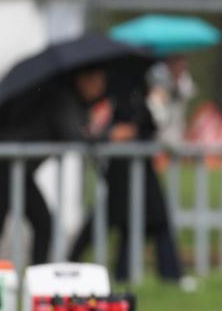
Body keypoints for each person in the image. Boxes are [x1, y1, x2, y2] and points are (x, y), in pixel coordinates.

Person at [0, 67, 133, 265]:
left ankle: (28, 277)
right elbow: (75, 137)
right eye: (98, 82)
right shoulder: (62, 100)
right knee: (3, 225)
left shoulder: (69, 101)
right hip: (4, 166)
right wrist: (109, 135)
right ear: (83, 80)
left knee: (32, 225)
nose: (101, 88)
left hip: (13, 168)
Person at [68, 67, 184, 284]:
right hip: (123, 172)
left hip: (137, 170)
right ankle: (72, 265)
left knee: (132, 221)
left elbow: (148, 127)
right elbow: (108, 129)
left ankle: (138, 273)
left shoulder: (139, 94)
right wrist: (113, 133)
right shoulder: (120, 93)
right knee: (125, 219)